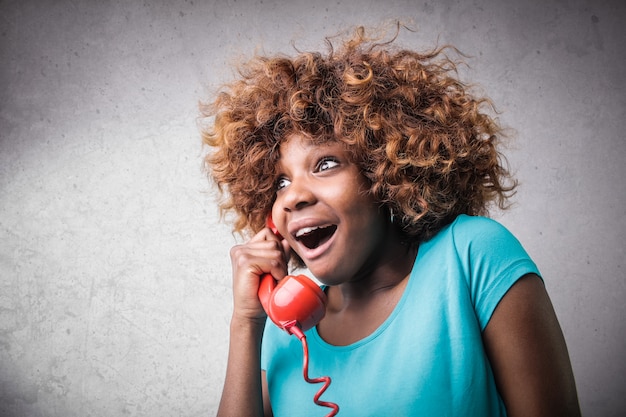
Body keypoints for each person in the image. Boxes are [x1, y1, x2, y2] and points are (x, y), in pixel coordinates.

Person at [201, 24, 581, 417]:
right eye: (281, 182)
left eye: (325, 163)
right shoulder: (287, 328)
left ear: (385, 170)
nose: (293, 196)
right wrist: (247, 322)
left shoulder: (472, 255)